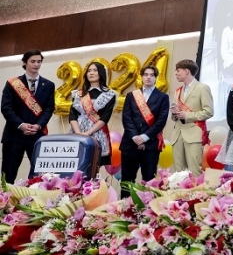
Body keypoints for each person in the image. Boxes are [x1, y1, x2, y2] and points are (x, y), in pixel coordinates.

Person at [1, 49, 55, 183]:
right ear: (25, 63)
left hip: (37, 135)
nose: (36, 64)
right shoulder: (13, 83)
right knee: (8, 175)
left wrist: (39, 125)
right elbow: (6, 108)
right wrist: (21, 125)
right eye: (33, 61)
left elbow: (49, 108)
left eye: (39, 61)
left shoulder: (48, 85)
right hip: (14, 135)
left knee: (40, 176)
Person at [119, 65, 169, 197]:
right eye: (146, 74)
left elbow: (161, 121)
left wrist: (144, 137)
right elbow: (127, 118)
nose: (148, 77)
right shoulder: (131, 95)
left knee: (149, 180)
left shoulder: (163, 97)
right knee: (127, 180)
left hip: (150, 145)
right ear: (141, 77)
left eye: (152, 75)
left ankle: (147, 208)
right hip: (130, 143)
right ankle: (124, 206)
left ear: (156, 78)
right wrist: (135, 137)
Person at [170, 59, 214, 177]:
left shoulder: (202, 88)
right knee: (179, 174)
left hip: (194, 135)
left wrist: (187, 115)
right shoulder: (178, 91)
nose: (176, 73)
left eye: (178, 70)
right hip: (177, 135)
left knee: (195, 172)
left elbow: (209, 112)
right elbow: (174, 116)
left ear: (186, 71)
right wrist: (174, 113)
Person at [69, 62, 116, 167]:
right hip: (77, 131)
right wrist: (78, 133)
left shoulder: (109, 94)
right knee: (75, 164)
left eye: (95, 70)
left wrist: (88, 133)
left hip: (97, 132)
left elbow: (105, 117)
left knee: (94, 165)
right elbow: (72, 115)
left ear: (101, 73)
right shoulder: (78, 94)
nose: (91, 73)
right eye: (89, 71)